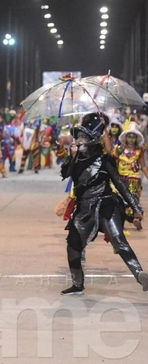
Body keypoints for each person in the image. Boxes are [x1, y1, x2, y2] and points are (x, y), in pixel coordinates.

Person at [60, 112, 148, 295]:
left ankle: (141, 275)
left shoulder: (105, 161)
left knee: (119, 241)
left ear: (93, 140)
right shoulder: (75, 160)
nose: (80, 140)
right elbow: (65, 174)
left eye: (84, 137)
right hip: (83, 209)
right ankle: (77, 284)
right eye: (79, 137)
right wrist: (72, 156)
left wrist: (135, 206)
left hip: (106, 206)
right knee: (73, 245)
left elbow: (120, 185)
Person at [111, 121, 148, 230]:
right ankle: (122, 220)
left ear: (136, 139)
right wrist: (118, 151)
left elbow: (143, 166)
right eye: (129, 136)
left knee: (134, 199)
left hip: (134, 179)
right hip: (120, 180)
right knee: (120, 201)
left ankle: (137, 218)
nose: (131, 139)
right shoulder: (119, 149)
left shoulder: (139, 150)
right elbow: (112, 159)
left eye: (133, 137)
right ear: (125, 137)